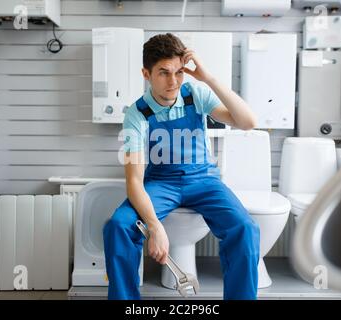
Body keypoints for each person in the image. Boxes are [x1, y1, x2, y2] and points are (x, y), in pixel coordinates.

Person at [103, 33, 260, 300]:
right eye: (163, 73)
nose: (173, 81)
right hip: (161, 183)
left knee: (245, 229)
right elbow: (134, 181)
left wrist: (207, 78)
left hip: (204, 180)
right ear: (146, 73)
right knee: (118, 226)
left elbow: (247, 122)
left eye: (178, 72)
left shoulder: (195, 95)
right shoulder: (136, 114)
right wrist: (154, 226)